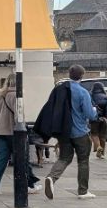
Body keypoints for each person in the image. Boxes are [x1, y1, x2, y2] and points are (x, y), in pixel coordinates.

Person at [36, 65, 98, 200]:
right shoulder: (82, 93)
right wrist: (94, 111)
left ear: (70, 75)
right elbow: (90, 114)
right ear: (82, 75)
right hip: (80, 132)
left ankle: (51, 178)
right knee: (83, 161)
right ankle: (83, 191)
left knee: (64, 158)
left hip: (64, 132)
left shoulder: (60, 89)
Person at [0, 74, 42, 195]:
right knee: (22, 159)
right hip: (13, 132)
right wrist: (22, 131)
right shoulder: (17, 96)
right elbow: (19, 116)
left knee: (0, 160)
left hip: (0, 131)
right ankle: (29, 185)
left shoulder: (1, 95)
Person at [89, 81, 107, 159]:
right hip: (104, 119)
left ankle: (98, 147)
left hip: (94, 118)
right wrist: (106, 118)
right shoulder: (106, 97)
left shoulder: (90, 96)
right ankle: (101, 154)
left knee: (94, 134)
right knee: (103, 136)